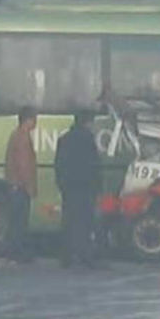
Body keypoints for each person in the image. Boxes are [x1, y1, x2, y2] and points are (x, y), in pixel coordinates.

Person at [54, 110, 103, 268]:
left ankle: (66, 257)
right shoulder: (88, 140)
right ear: (86, 123)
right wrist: (98, 186)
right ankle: (84, 255)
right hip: (86, 187)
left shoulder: (64, 139)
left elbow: (58, 164)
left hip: (69, 187)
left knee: (68, 221)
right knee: (85, 223)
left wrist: (61, 184)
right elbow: (94, 166)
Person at [4, 106, 38, 262]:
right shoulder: (23, 138)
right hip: (20, 186)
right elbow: (24, 164)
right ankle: (18, 253)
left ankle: (14, 251)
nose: (35, 123)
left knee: (15, 220)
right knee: (20, 221)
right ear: (28, 120)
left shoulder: (15, 135)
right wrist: (29, 186)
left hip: (14, 184)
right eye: (34, 119)